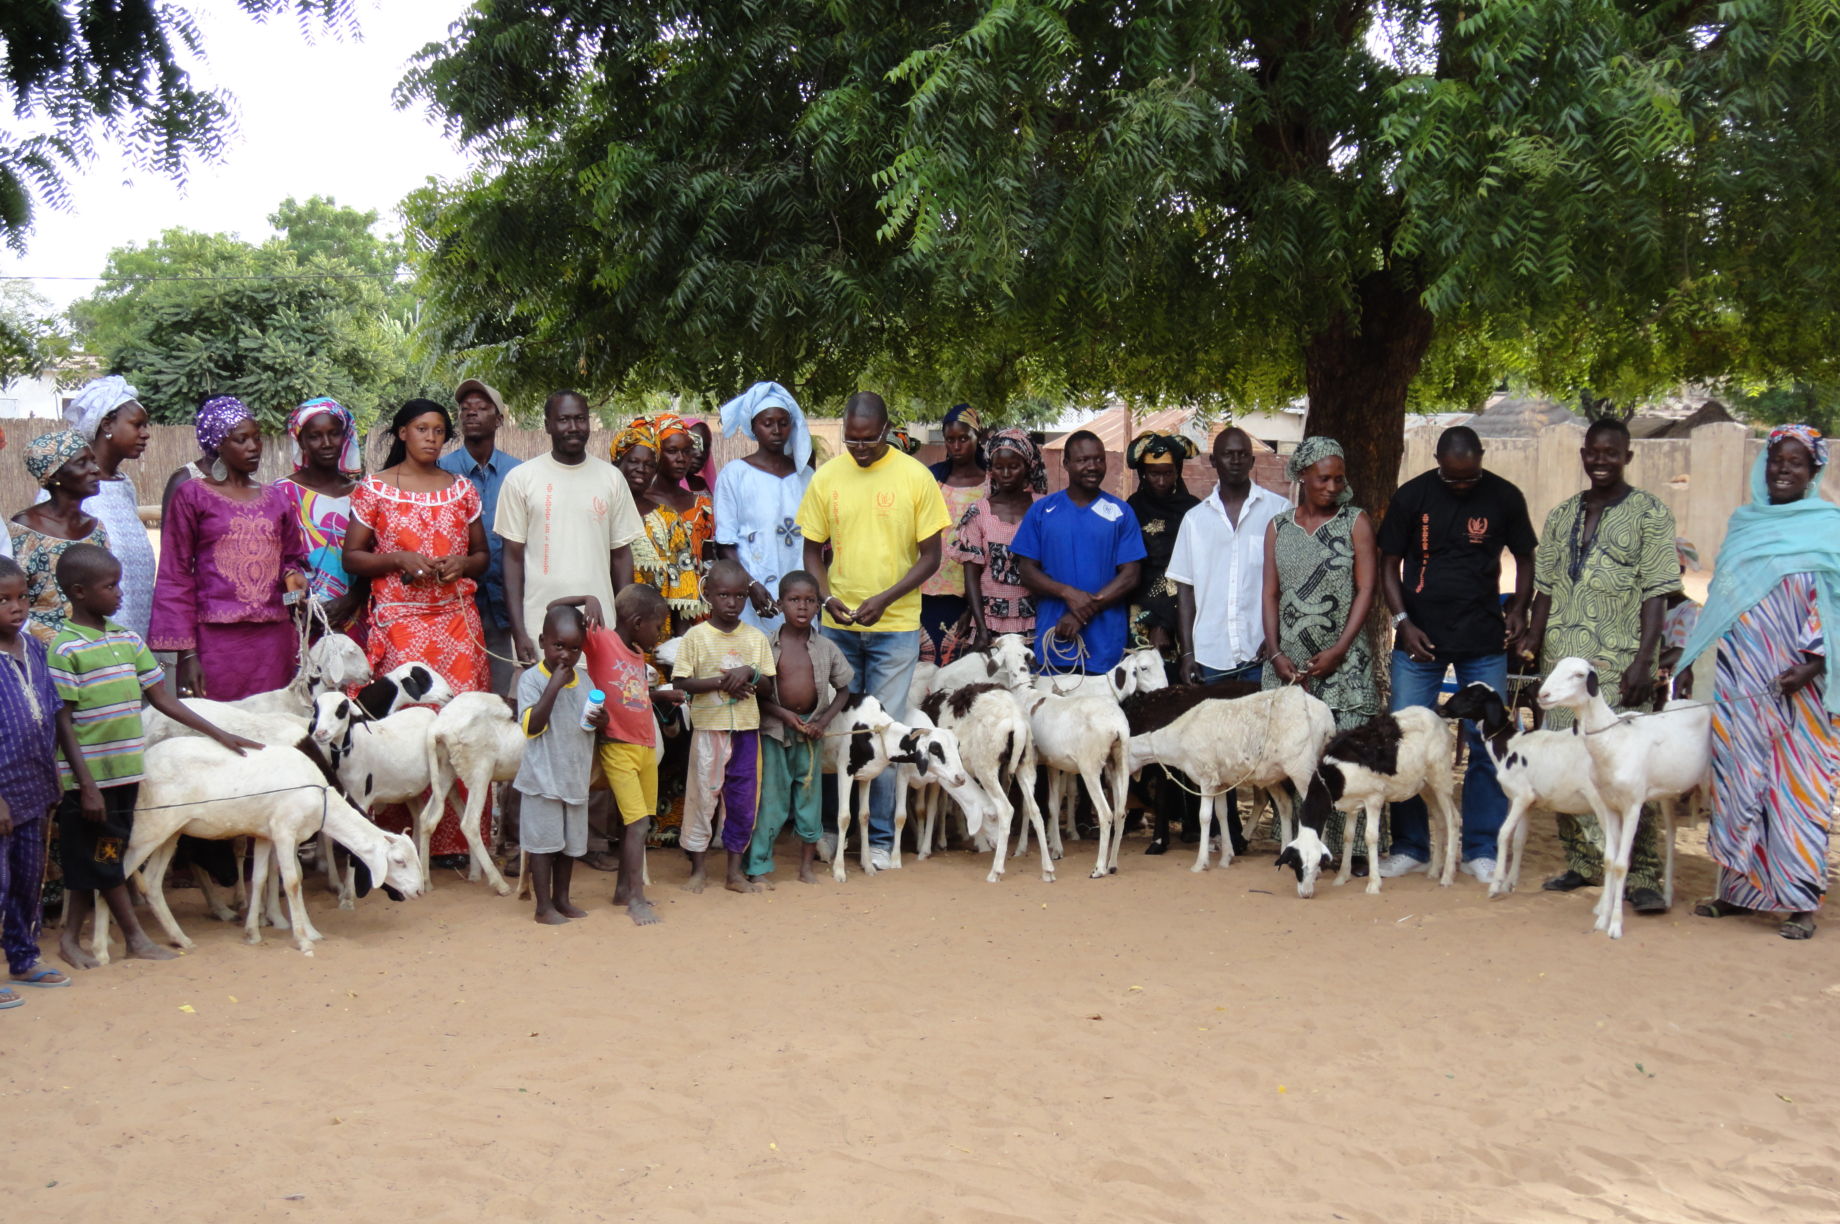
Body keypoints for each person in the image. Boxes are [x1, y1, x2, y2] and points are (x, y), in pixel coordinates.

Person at [50, 544, 256, 970]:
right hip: (88, 782)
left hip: (125, 774)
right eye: (111, 586)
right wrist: (85, 784)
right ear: (79, 592)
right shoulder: (65, 649)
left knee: (106, 855)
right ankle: (131, 937)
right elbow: (63, 722)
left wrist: (220, 732)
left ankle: (82, 940)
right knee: (94, 860)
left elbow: (163, 698)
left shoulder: (127, 640)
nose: (121, 593)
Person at [1679, 425, 1840, 940]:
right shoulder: (1743, 525)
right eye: (1776, 461)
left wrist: (1812, 665)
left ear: (1814, 471)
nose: (1783, 470)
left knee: (1798, 789)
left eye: (1796, 462)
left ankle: (1799, 901)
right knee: (1739, 779)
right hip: (1743, 679)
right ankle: (1739, 892)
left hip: (1805, 686)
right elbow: (1725, 600)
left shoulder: (1828, 529)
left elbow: (1834, 607)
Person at [1519, 418, 1680, 911]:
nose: (1602, 460)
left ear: (1628, 457)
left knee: (1623, 771)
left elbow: (1657, 595)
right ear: (1584, 455)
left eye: (1613, 453)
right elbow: (1544, 589)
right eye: (1594, 452)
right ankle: (1585, 863)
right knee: (1569, 761)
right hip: (1562, 667)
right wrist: (1531, 646)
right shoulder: (1562, 514)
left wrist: (1643, 662)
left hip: (1615, 665)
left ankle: (1643, 877)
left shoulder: (1651, 514)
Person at [1375, 425, 1537, 884]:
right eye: (1453, 479)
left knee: (1488, 747)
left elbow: (1526, 557)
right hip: (1418, 642)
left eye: (1469, 478)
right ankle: (1410, 847)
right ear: (1438, 462)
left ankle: (1481, 848)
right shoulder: (1413, 497)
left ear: (1482, 458)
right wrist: (1402, 622)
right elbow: (1389, 563)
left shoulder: (1505, 497)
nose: (1462, 486)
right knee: (1407, 744)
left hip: (1483, 640)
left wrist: (1520, 607)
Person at [798, 392, 950, 866]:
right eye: (851, 440)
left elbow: (931, 557)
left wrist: (885, 598)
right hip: (837, 625)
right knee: (835, 728)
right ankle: (827, 831)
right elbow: (810, 553)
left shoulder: (916, 477)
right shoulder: (827, 478)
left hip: (897, 625)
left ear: (887, 430)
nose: (859, 448)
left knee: (884, 728)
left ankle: (880, 840)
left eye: (869, 439)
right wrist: (826, 598)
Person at [1157, 426, 1287, 854]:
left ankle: (1284, 829)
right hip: (1211, 653)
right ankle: (1227, 832)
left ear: (1252, 460)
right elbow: (1185, 591)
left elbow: (1288, 584)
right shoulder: (1195, 521)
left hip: (1261, 652)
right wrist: (1188, 651)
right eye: (1226, 454)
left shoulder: (1278, 511)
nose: (1235, 460)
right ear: (1212, 462)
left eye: (1242, 454)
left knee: (1270, 742)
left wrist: (1277, 639)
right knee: (1218, 748)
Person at [1262, 436, 1379, 866]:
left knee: (1346, 753)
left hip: (1343, 660)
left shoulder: (1355, 522)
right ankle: (1302, 845)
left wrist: (1340, 648)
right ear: (1302, 477)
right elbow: (1270, 593)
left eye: (1338, 478)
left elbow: (1366, 589)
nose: (1332, 487)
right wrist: (1275, 653)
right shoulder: (1278, 526)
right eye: (1323, 478)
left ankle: (1352, 850)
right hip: (1292, 664)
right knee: (1298, 754)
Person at [151, 398, 309, 700]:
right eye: (241, 440)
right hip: (215, 642)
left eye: (257, 437)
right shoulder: (193, 495)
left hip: (272, 641)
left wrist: (293, 577)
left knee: (272, 727)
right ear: (218, 445)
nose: (254, 447)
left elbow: (291, 558)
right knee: (217, 731)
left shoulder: (276, 499)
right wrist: (187, 655)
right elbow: (176, 573)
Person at [343, 399, 491, 694]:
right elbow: (351, 557)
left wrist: (462, 565)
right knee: (408, 715)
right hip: (400, 622)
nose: (431, 437)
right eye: (421, 429)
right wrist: (398, 560)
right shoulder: (375, 489)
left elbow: (482, 556)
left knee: (460, 716)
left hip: (457, 622)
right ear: (402, 433)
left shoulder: (461, 489)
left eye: (438, 431)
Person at [496, 390, 640, 669]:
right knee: (543, 709)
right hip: (541, 628)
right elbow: (512, 560)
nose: (573, 427)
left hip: (601, 627)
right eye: (564, 419)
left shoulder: (611, 479)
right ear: (548, 424)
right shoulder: (521, 480)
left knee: (598, 709)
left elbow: (622, 555)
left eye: (580, 419)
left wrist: (623, 626)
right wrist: (519, 631)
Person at [575, 583, 680, 925]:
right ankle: (636, 899)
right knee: (636, 824)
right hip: (618, 746)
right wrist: (586, 598)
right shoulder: (601, 640)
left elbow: (633, 696)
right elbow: (553, 612)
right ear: (637, 622)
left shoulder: (637, 654)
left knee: (639, 822)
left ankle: (624, 890)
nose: (660, 634)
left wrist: (661, 697)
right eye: (658, 626)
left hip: (645, 745)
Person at [671, 560, 776, 895]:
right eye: (724, 595)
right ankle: (699, 870)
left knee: (743, 801)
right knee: (703, 797)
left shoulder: (756, 639)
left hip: (746, 731)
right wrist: (722, 682)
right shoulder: (696, 637)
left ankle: (733, 873)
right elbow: (681, 682)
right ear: (709, 595)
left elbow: (769, 687)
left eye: (740, 596)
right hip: (708, 730)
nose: (732, 602)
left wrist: (749, 673)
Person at [0, 556, 76, 1000]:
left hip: (34, 787)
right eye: (3, 600)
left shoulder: (35, 650)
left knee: (28, 880)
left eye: (22, 597)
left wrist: (57, 777)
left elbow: (50, 714)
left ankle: (24, 959)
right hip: (2, 793)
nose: (17, 607)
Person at [749, 570, 853, 887]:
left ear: (818, 606)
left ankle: (807, 866)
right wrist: (783, 715)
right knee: (772, 801)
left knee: (810, 802)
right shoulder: (767, 646)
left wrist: (822, 721)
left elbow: (845, 689)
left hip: (811, 735)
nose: (802, 607)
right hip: (775, 734)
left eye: (810, 601)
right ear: (780, 604)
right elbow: (758, 695)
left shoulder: (826, 648)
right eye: (794, 600)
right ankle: (758, 865)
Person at [1013, 429, 1146, 676]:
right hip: (1054, 643)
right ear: (1066, 464)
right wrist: (1067, 592)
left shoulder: (1121, 512)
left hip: (1106, 649)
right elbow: (1027, 571)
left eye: (1098, 459)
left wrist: (1082, 613)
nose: (1092, 466)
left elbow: (1131, 576)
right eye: (1083, 460)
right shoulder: (1042, 511)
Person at [45, 376, 156, 641]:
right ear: (106, 424)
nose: (145, 433)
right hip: (91, 636)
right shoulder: (69, 485)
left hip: (135, 622)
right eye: (136, 425)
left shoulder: (123, 484)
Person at [514, 604, 603, 925]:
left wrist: (600, 720)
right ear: (542, 642)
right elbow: (531, 726)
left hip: (573, 779)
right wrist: (553, 686)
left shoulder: (585, 682)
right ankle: (542, 906)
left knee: (568, 847)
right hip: (542, 781)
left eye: (574, 648)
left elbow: (587, 726)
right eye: (558, 646)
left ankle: (562, 899)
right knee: (543, 846)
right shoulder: (531, 680)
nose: (566, 655)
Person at [438, 379, 523, 694]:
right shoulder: (441, 471)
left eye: (482, 407)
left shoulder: (519, 474)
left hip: (503, 598)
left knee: (499, 689)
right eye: (465, 408)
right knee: (456, 688)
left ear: (499, 419)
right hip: (455, 597)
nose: (471, 413)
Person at [714, 382, 814, 632]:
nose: (777, 430)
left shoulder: (807, 477)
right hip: (754, 591)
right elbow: (725, 543)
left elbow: (818, 541)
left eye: (783, 422)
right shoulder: (735, 475)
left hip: (801, 593)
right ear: (753, 427)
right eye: (767, 423)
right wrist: (750, 585)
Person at [10, 430, 111, 645]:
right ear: (54, 475)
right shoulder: (24, 529)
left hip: (94, 645)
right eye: (82, 463)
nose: (95, 470)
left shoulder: (96, 529)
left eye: (93, 461)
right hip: (40, 649)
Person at [277, 397, 367, 634]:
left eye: (334, 434)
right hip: (300, 623)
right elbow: (274, 563)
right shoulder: (280, 493)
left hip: (356, 617)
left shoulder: (365, 494)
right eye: (315, 436)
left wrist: (351, 601)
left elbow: (377, 558)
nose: (326, 443)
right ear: (301, 442)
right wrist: (295, 604)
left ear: (345, 437)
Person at [617, 414, 712, 635]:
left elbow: (707, 559)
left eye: (686, 451)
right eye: (672, 451)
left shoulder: (674, 515)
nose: (681, 459)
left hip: (674, 618)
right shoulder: (607, 510)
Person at [954, 427, 1046, 648]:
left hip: (1035, 619)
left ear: (1028, 467)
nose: (1006, 474)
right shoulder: (978, 512)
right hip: (989, 621)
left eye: (1014, 467)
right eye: (999, 467)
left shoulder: (1044, 508)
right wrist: (981, 628)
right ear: (991, 470)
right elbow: (972, 576)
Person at [920, 403, 987, 662]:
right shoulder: (932, 479)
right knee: (926, 669)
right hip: (928, 589)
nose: (957, 446)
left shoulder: (990, 484)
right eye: (950, 440)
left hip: (971, 594)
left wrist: (974, 606)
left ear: (977, 438)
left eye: (963, 439)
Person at [1124, 429, 1200, 657]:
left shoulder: (1193, 510)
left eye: (1168, 473)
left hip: (1185, 611)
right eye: (1153, 474)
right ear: (1142, 473)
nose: (1161, 481)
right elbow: (1131, 564)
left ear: (1178, 471)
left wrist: (1165, 622)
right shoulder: (1133, 508)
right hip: (1139, 612)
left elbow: (1194, 568)